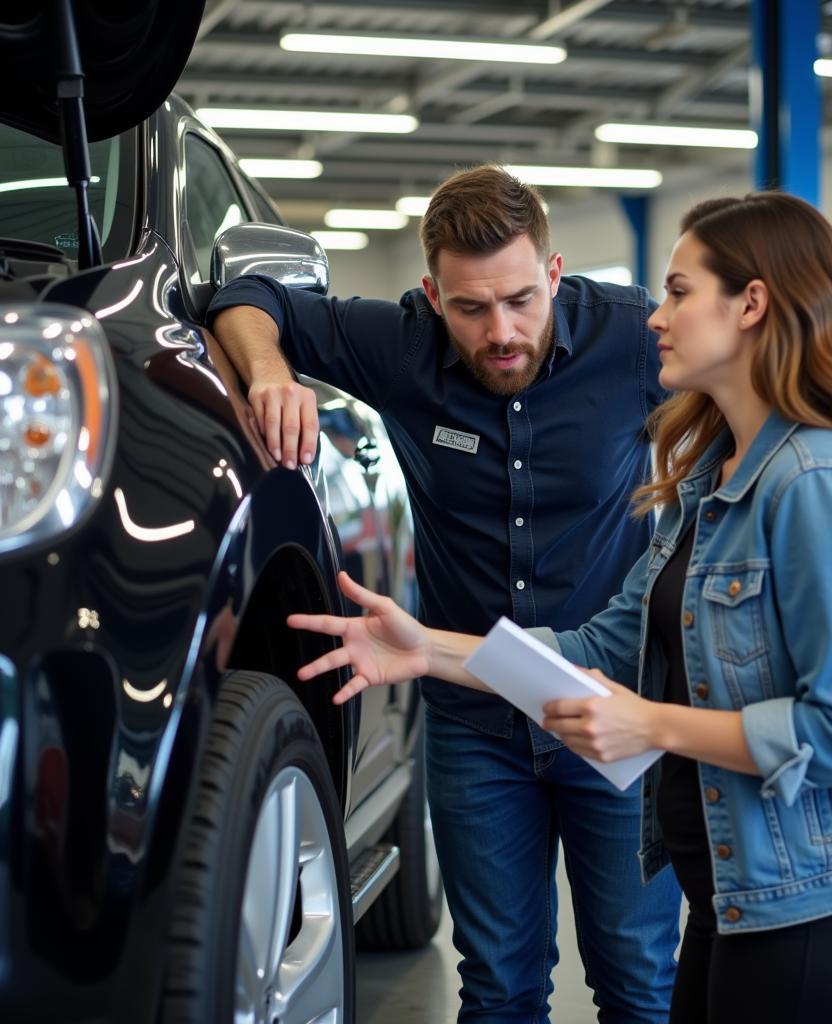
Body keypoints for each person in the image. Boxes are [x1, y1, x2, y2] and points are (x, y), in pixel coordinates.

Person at [285, 191, 832, 1024]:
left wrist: (650, 725)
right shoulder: (707, 491)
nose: (654, 318)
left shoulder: (815, 484)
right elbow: (604, 644)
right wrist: (428, 648)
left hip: (820, 902)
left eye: (679, 293)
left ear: (750, 305)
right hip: (742, 892)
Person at [207, 165, 681, 1023]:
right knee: (498, 987)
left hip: (612, 712)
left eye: (522, 300)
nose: (501, 331)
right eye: (469, 308)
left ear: (555, 272)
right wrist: (273, 372)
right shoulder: (399, 344)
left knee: (639, 983)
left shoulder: (631, 339)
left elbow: (753, 394)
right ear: (431, 295)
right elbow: (246, 296)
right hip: (476, 726)